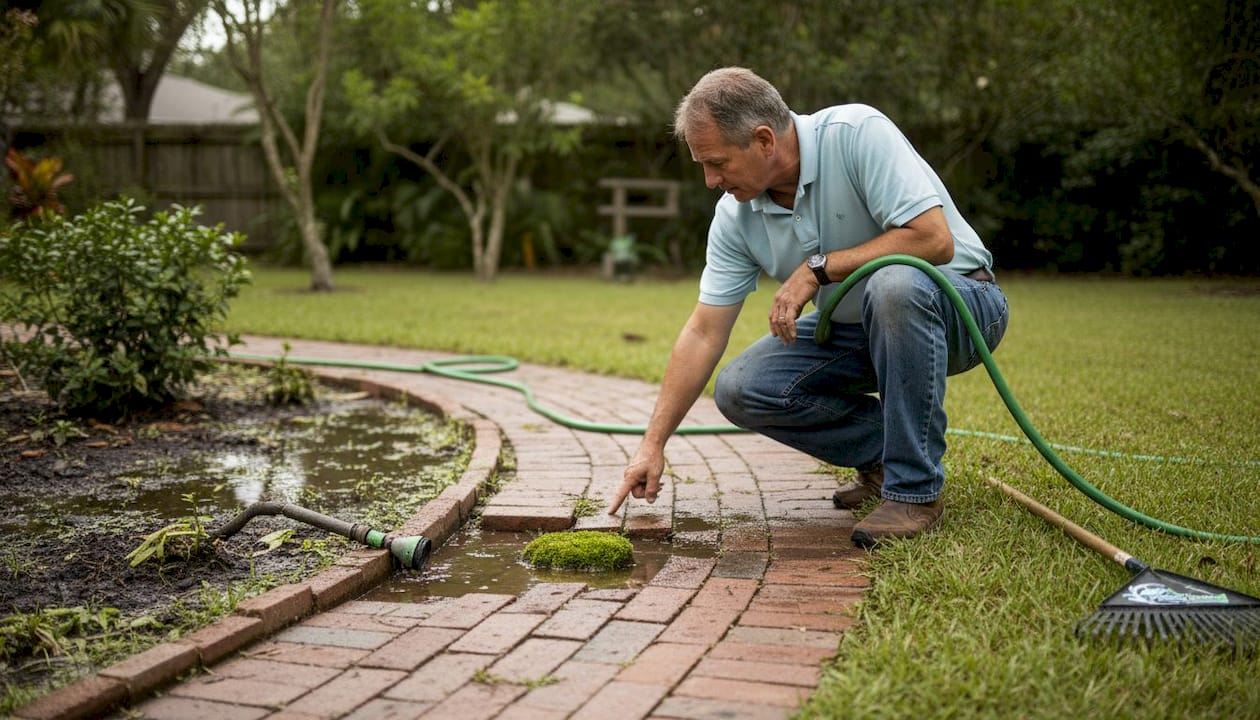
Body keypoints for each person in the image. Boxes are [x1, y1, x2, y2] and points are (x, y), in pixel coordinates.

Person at [605, 67, 1009, 547]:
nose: (710, 180)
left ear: (763, 140)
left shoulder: (857, 134)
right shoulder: (735, 216)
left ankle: (914, 493)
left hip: (961, 305)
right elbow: (703, 332)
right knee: (743, 388)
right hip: (857, 327)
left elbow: (933, 240)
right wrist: (652, 444)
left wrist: (816, 268)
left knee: (894, 282)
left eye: (716, 163)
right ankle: (889, 458)